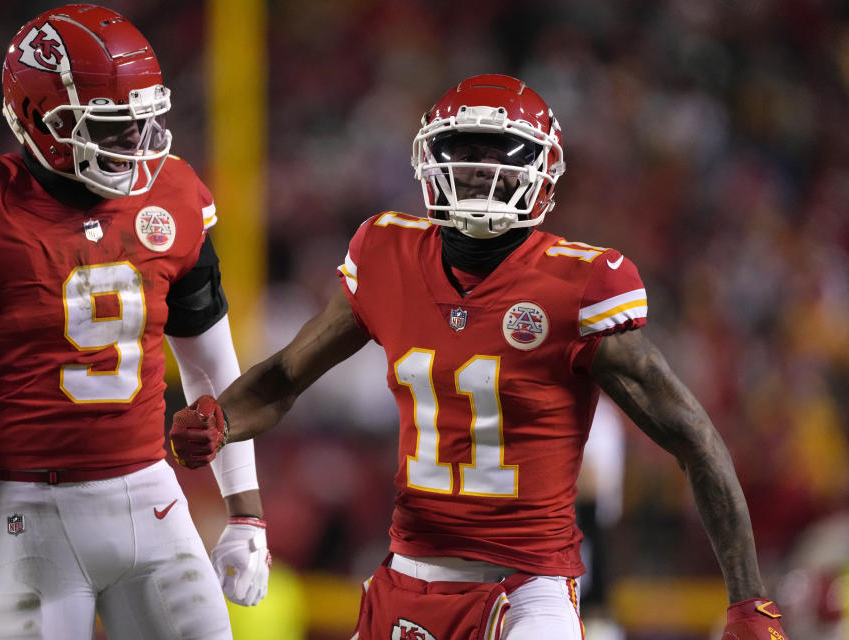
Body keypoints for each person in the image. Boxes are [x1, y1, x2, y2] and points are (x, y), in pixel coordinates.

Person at [169, 74, 790, 639]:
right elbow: (282, 379)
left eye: (499, 153)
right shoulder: (387, 254)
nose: (477, 169)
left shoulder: (580, 285)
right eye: (464, 151)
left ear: (542, 168)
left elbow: (692, 437)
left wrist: (748, 600)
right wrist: (221, 419)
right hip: (406, 577)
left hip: (527, 589)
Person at [0, 5, 269, 639]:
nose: (134, 145)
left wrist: (246, 511)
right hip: (28, 511)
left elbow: (211, 364)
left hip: (152, 495)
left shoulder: (171, 195)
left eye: (141, 123)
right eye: (110, 126)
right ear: (42, 120)